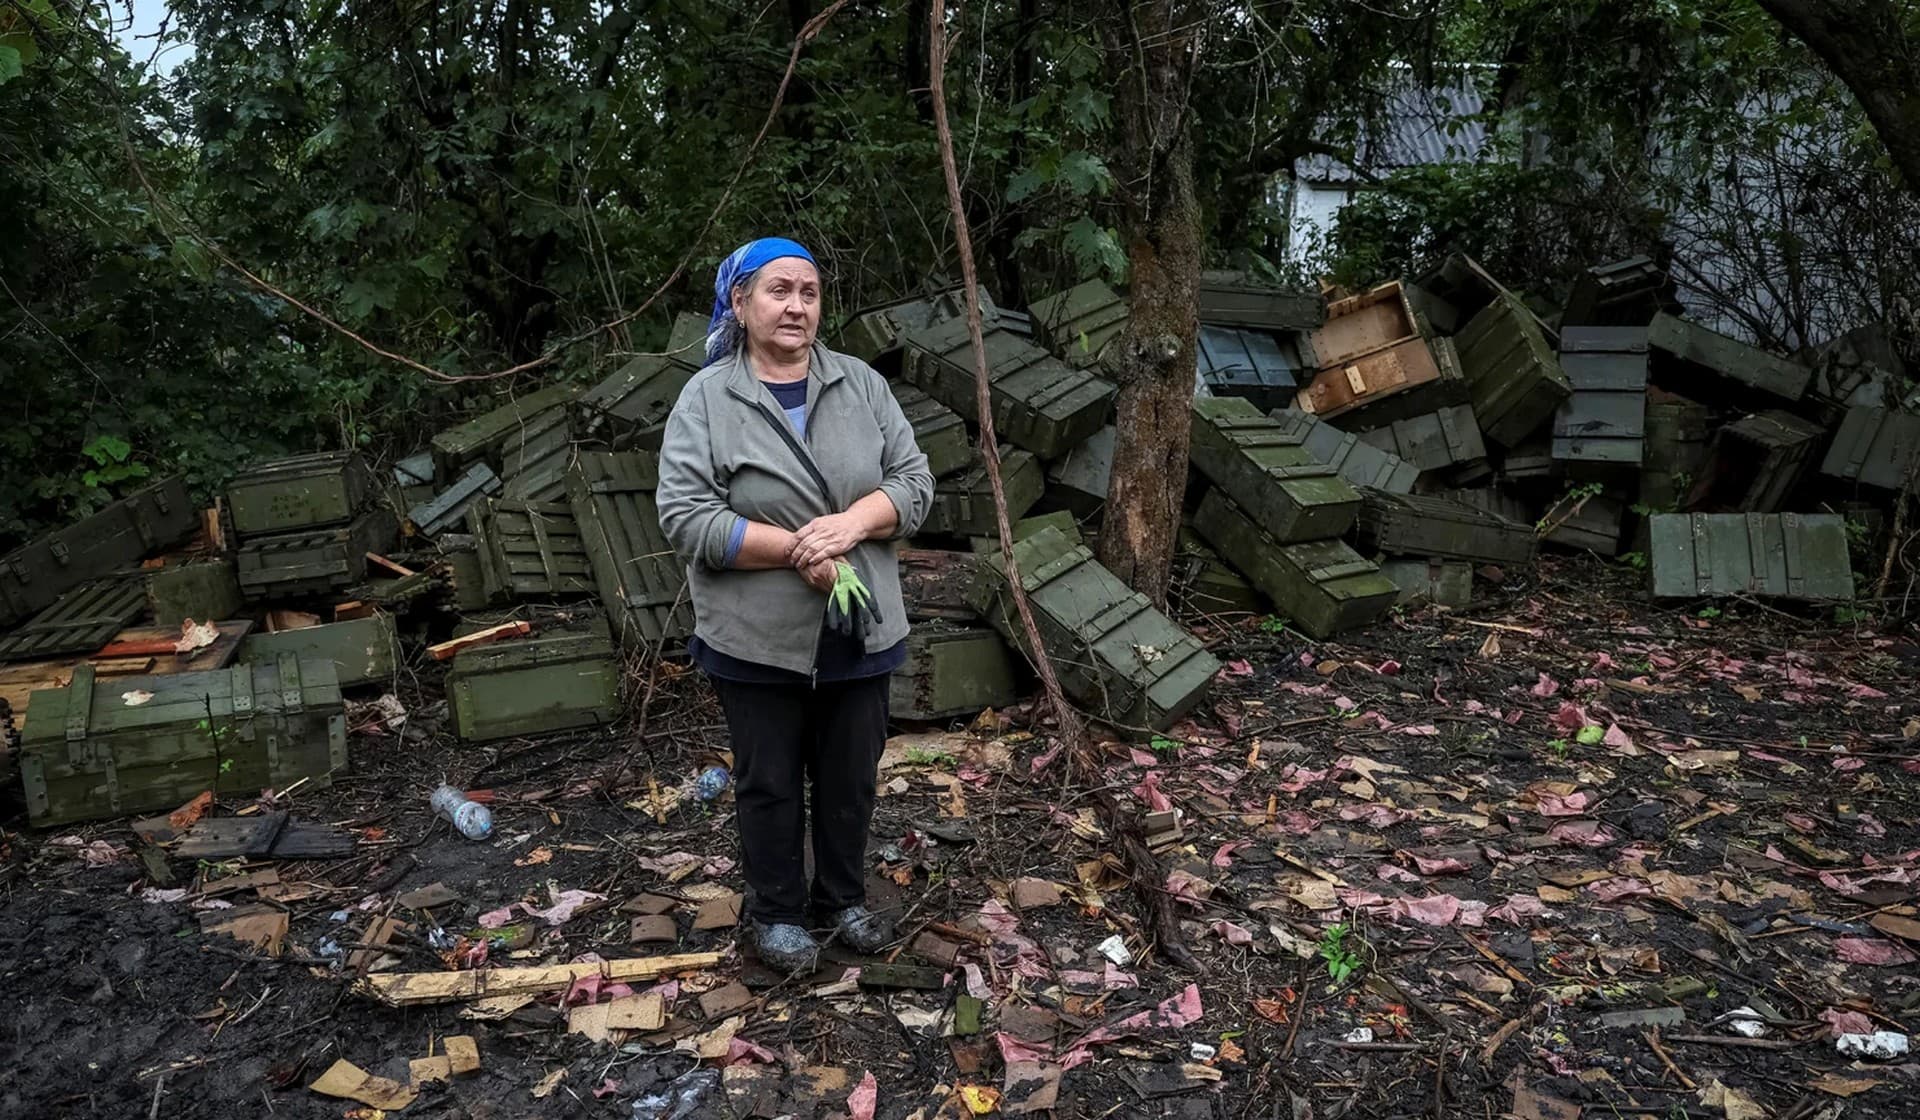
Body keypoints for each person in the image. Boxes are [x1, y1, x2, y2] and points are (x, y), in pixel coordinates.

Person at [656, 237, 934, 973]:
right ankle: (774, 912)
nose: (797, 306)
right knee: (770, 778)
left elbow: (914, 481)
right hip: (755, 634)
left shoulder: (862, 384)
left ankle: (840, 900)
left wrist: (854, 523)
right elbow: (685, 514)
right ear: (740, 303)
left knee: (850, 774)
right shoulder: (708, 398)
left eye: (809, 293)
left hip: (859, 621)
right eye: (779, 290)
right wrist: (794, 550)